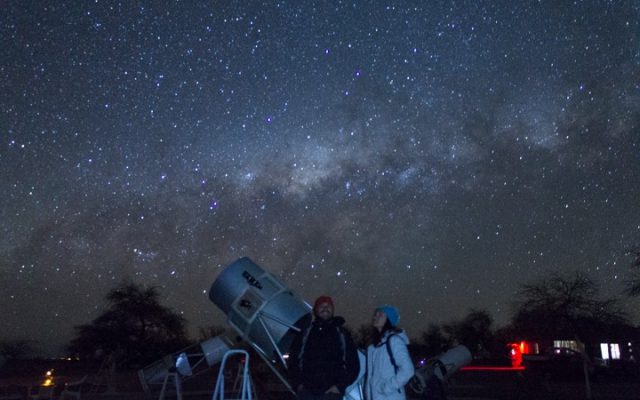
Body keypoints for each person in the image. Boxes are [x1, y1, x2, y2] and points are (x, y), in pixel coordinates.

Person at [288, 295, 360, 400]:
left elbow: (353, 364)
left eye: (328, 306)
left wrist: (339, 386)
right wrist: (298, 385)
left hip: (331, 394)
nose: (325, 309)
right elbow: (293, 360)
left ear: (333, 310)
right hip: (306, 393)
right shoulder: (306, 333)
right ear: (316, 310)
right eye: (322, 306)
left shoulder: (342, 334)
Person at [364, 305, 414, 400]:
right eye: (376, 314)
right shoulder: (373, 347)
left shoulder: (394, 341)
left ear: (389, 320)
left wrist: (386, 388)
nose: (376, 317)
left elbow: (408, 370)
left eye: (381, 315)